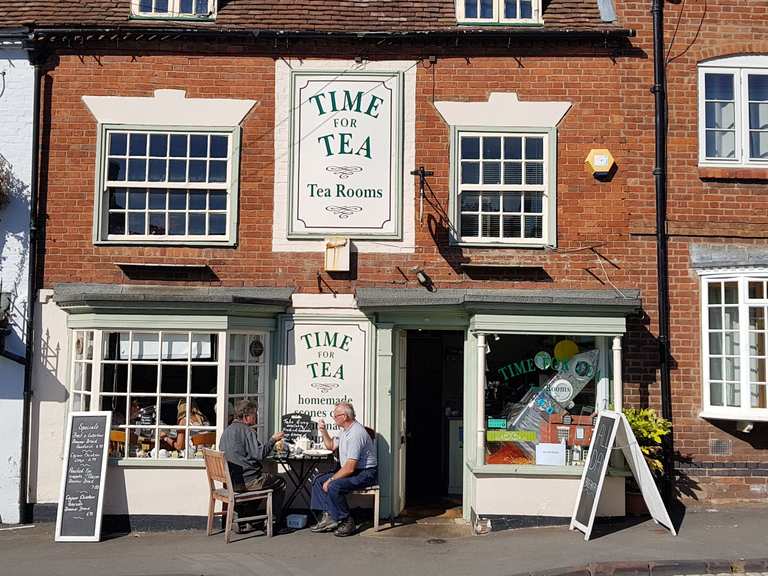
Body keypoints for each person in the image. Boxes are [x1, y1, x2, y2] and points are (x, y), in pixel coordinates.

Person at [310, 401, 377, 537]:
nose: (333, 418)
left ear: (345, 416)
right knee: (318, 481)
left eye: (335, 415)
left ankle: (346, 521)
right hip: (352, 470)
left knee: (334, 485)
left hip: (365, 472)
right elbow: (330, 446)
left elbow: (350, 467)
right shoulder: (344, 430)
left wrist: (331, 479)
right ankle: (328, 517)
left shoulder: (356, 434)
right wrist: (323, 431)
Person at [219, 399, 286, 533]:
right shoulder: (247, 431)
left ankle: (245, 519)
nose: (256, 417)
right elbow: (260, 454)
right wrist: (273, 439)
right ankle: (273, 523)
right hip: (247, 481)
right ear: (246, 417)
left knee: (262, 482)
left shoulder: (226, 431)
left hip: (232, 481)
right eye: (254, 414)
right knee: (280, 483)